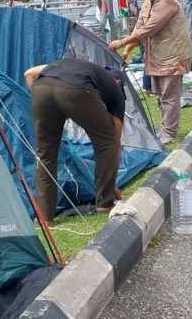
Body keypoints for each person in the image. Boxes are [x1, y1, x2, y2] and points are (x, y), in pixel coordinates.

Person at [24, 59, 125, 224]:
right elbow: (114, 141)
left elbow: (28, 73)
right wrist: (109, 185)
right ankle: (104, 203)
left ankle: (45, 217)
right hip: (75, 90)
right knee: (107, 143)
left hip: (40, 89)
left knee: (45, 154)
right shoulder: (116, 91)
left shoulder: (80, 66)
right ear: (119, 82)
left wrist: (47, 104)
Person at [108, 0, 192, 145]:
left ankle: (169, 132)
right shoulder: (147, 3)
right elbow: (139, 29)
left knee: (169, 96)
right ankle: (165, 128)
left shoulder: (167, 2)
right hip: (156, 57)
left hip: (172, 56)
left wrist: (121, 43)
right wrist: (127, 50)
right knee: (161, 96)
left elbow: (149, 29)